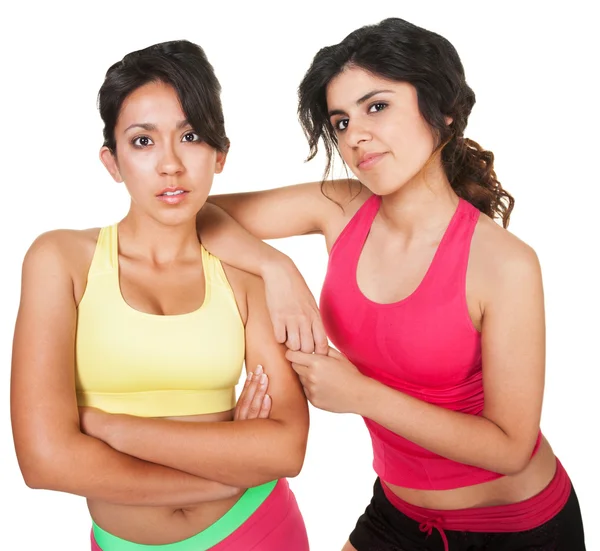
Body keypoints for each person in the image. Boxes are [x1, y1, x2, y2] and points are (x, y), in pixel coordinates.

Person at [197, 17, 587, 551]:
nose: (355, 135)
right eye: (340, 121)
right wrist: (276, 267)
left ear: (442, 111)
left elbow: (510, 447)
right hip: (397, 515)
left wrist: (360, 395)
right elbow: (192, 213)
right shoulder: (338, 207)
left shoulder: (504, 264)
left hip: (517, 528)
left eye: (376, 106)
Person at [10, 40, 310, 551]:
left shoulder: (244, 271)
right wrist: (219, 477)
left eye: (190, 136)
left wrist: (111, 428)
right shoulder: (60, 261)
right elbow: (44, 462)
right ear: (111, 160)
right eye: (143, 141)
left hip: (256, 528)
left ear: (220, 154)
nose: (170, 164)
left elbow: (285, 448)